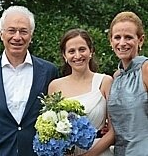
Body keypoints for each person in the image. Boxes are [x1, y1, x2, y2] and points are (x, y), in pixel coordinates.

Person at [0, 5, 58, 156]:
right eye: (11, 31)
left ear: (31, 36)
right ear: (1, 34)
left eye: (23, 31)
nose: (17, 37)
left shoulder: (49, 71)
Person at [48, 28, 114, 156]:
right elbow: (50, 129)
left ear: (91, 51)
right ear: (64, 55)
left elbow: (113, 131)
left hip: (99, 151)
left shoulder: (105, 82)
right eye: (71, 51)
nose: (77, 56)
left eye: (82, 49)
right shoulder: (54, 86)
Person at [107, 11, 148, 156]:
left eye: (128, 37)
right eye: (117, 37)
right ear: (111, 41)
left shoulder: (146, 69)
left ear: (140, 40)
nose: (122, 43)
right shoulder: (116, 77)